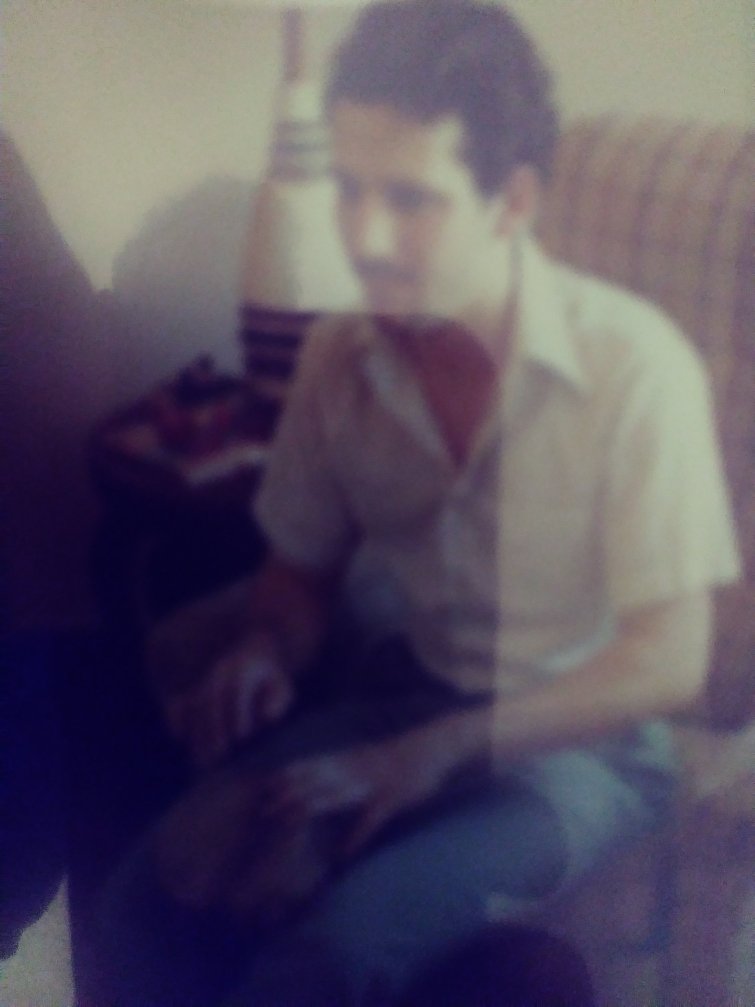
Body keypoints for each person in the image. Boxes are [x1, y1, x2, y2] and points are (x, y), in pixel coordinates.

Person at [93, 2, 740, 1004]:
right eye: (349, 191)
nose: (365, 234)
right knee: (140, 908)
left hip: (580, 754)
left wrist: (432, 753)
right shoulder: (338, 357)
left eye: (409, 198)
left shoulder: (633, 368)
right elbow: (298, 583)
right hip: (401, 701)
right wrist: (263, 650)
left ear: (510, 201)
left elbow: (669, 660)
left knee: (328, 956)